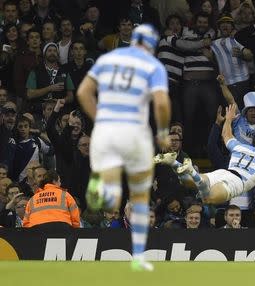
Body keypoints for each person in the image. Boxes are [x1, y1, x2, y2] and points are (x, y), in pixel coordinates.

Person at [77, 24, 171, 271]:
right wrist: (162, 132)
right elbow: (161, 104)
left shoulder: (108, 60)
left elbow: (83, 92)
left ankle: (100, 181)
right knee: (140, 196)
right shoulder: (153, 67)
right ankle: (139, 257)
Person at [156, 103, 255, 205]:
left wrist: (228, 119)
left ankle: (174, 162)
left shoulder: (240, 147)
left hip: (223, 172)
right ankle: (186, 168)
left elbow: (226, 135)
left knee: (186, 182)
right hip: (236, 182)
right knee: (208, 199)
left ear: (254, 142)